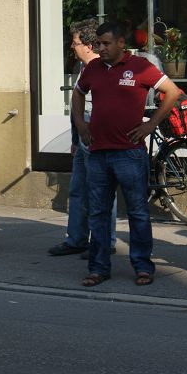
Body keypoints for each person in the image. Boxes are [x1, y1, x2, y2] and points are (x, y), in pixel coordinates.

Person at [73, 22, 181, 287]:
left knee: (138, 213)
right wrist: (80, 124)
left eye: (106, 43)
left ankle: (143, 267)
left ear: (121, 43)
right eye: (98, 44)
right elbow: (78, 93)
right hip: (98, 153)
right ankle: (98, 268)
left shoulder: (141, 67)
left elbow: (173, 91)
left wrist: (150, 124)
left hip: (129, 154)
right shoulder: (93, 68)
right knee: (98, 213)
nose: (101, 48)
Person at [49, 18, 117, 258]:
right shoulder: (85, 69)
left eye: (75, 42)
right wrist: (76, 140)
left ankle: (104, 242)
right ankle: (76, 239)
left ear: (88, 45)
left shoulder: (102, 69)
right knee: (78, 190)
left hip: (96, 138)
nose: (72, 46)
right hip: (83, 139)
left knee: (101, 192)